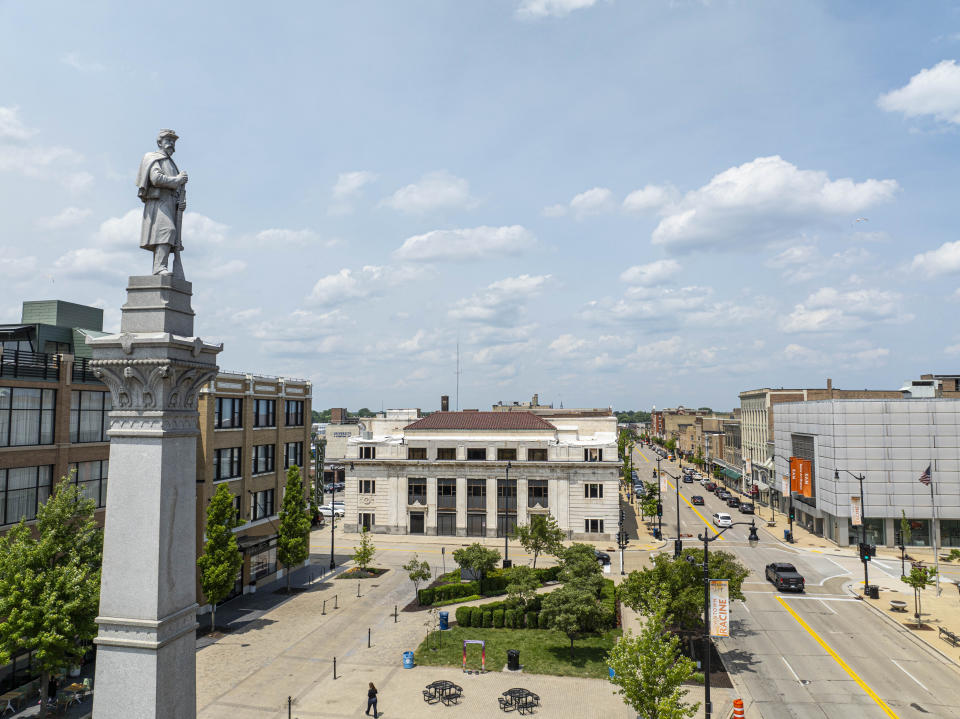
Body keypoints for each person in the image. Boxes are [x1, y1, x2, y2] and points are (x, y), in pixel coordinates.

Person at [136, 129, 188, 276]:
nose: (171, 143)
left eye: (173, 141)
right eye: (168, 140)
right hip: (158, 201)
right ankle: (159, 267)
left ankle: (159, 267)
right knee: (167, 231)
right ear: (159, 142)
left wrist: (180, 204)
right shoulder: (153, 158)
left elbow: (175, 188)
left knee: (166, 236)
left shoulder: (171, 163)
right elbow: (156, 178)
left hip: (171, 203)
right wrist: (177, 180)